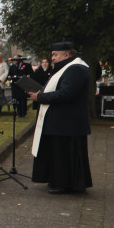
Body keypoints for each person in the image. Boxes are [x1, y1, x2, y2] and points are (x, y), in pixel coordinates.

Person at [28, 40, 92, 194]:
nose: (53, 58)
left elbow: (66, 94)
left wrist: (40, 97)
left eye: (55, 55)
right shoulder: (68, 68)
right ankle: (58, 181)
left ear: (67, 54)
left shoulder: (76, 69)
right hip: (63, 122)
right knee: (59, 153)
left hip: (68, 122)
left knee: (64, 154)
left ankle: (64, 183)